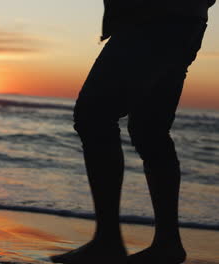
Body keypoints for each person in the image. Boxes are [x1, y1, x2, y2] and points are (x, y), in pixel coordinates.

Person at [52, 0, 215, 263]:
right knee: (149, 130)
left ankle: (109, 241)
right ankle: (166, 243)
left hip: (154, 18)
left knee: (94, 115)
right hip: (183, 20)